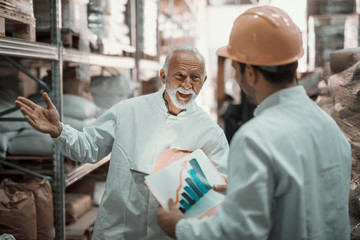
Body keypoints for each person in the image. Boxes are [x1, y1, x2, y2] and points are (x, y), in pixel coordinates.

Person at [157, 6, 352, 240]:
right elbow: (309, 200)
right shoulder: (329, 127)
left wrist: (178, 227)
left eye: (235, 67)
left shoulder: (255, 139)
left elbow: (238, 234)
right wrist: (246, 188)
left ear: (249, 72)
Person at [14, 45, 229, 239]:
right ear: (163, 76)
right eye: (180, 75)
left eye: (195, 78)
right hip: (118, 231)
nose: (187, 85)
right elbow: (89, 147)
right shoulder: (128, 110)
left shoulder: (211, 133)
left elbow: (221, 191)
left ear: (204, 81)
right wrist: (59, 130)